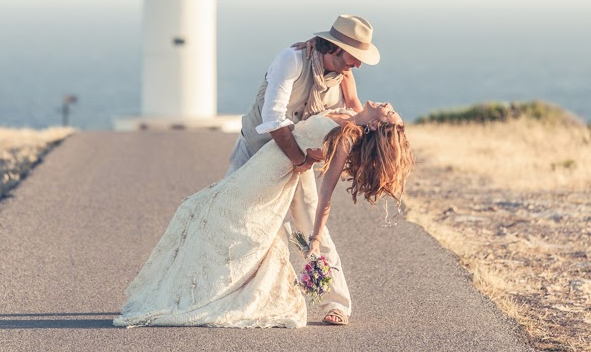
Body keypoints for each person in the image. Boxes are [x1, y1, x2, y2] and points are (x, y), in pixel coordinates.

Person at [114, 101, 412, 329]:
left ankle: (222, 291)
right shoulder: (351, 111)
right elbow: (346, 75)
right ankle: (197, 288)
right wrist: (317, 45)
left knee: (236, 221)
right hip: (267, 160)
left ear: (375, 125)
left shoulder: (346, 140)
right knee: (206, 208)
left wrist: (316, 237)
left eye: (390, 113)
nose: (388, 106)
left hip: (276, 173)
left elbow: (326, 196)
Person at [225, 14, 380, 325]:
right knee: (234, 224)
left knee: (310, 227)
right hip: (257, 151)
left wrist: (383, 123)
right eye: (355, 56)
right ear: (335, 48)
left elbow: (354, 111)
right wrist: (299, 159)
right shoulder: (291, 60)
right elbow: (273, 118)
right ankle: (233, 297)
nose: (359, 65)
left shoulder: (344, 75)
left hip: (299, 159)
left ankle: (334, 303)